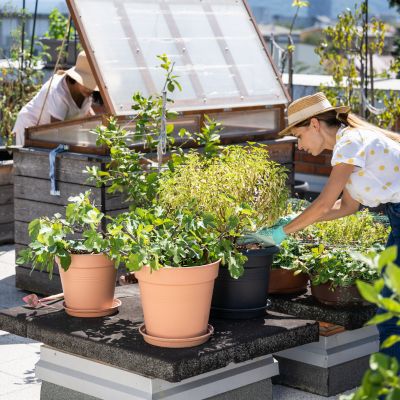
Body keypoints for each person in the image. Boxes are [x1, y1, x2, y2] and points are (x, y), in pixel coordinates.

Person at [247, 92, 400, 362]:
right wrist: (293, 222)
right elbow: (346, 207)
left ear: (315, 124)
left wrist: (281, 233)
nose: (300, 146)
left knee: (391, 315)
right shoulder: (350, 148)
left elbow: (323, 202)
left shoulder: (350, 143)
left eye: (299, 136)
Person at [13, 51, 98, 146]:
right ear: (77, 78)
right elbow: (56, 133)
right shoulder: (58, 91)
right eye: (86, 83)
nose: (90, 88)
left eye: (92, 84)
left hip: (48, 133)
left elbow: (89, 117)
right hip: (30, 127)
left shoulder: (86, 93)